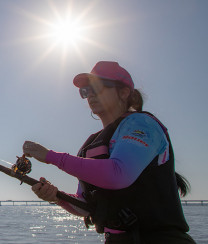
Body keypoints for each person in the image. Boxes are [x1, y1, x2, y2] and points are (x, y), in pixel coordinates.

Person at [23, 61, 195, 244]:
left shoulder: (142, 124)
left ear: (124, 92)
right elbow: (85, 205)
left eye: (97, 87)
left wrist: (51, 157)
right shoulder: (90, 144)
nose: (90, 95)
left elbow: (118, 174)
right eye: (86, 91)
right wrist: (57, 197)